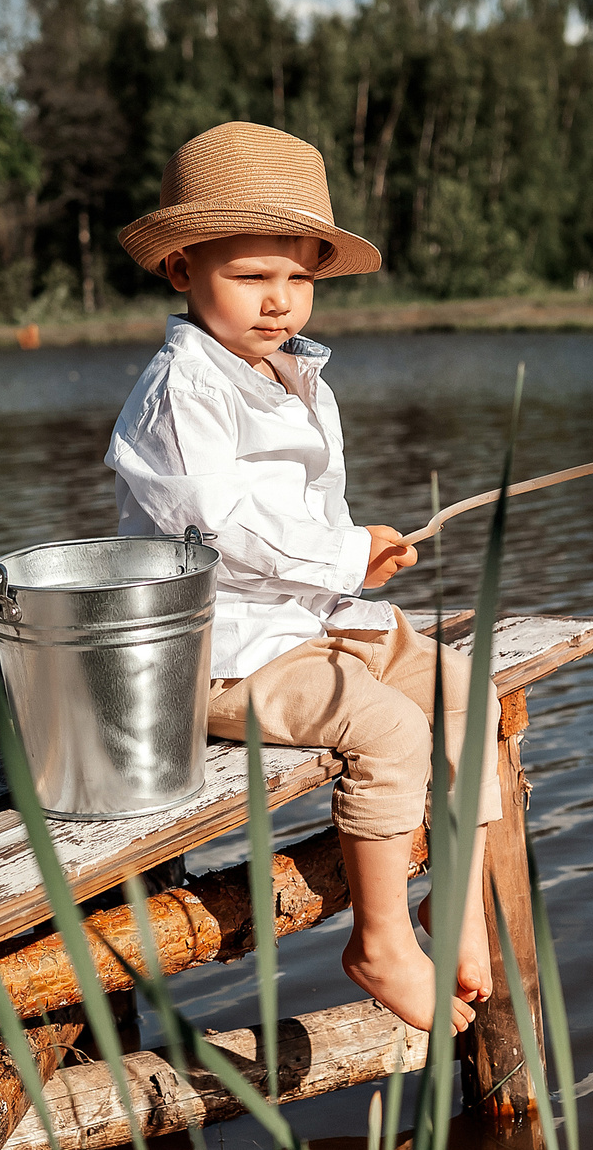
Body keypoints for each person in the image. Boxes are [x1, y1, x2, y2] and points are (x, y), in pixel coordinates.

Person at [106, 121, 499, 1034]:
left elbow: (304, 514)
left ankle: (464, 905)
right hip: (227, 650)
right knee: (392, 729)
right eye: (252, 277)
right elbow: (220, 523)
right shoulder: (182, 389)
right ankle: (380, 941)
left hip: (311, 619)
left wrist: (361, 551)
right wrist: (338, 552)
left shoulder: (291, 373)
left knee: (465, 694)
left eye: (298, 277)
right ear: (183, 270)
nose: (280, 301)